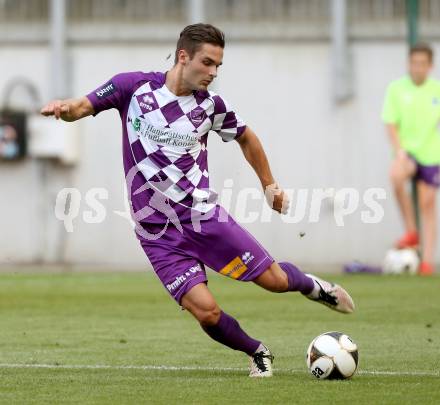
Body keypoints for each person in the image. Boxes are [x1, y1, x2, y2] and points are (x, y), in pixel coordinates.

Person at [41, 23, 354, 377]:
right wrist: (64, 109)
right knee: (207, 312)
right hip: (156, 231)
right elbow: (82, 106)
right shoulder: (133, 87)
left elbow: (247, 138)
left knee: (276, 282)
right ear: (183, 56)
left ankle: (314, 287)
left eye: (218, 65)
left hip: (204, 218)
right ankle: (257, 351)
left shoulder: (211, 106)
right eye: (207, 63)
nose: (213, 72)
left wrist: (269, 186)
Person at [382, 43, 440, 276]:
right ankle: (411, 231)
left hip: (430, 154)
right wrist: (399, 150)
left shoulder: (436, 90)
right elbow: (390, 122)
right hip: (407, 153)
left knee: (427, 203)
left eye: (422, 64)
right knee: (396, 175)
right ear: (409, 64)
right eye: (414, 63)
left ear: (430, 66)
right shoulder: (397, 89)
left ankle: (426, 261)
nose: (418, 68)